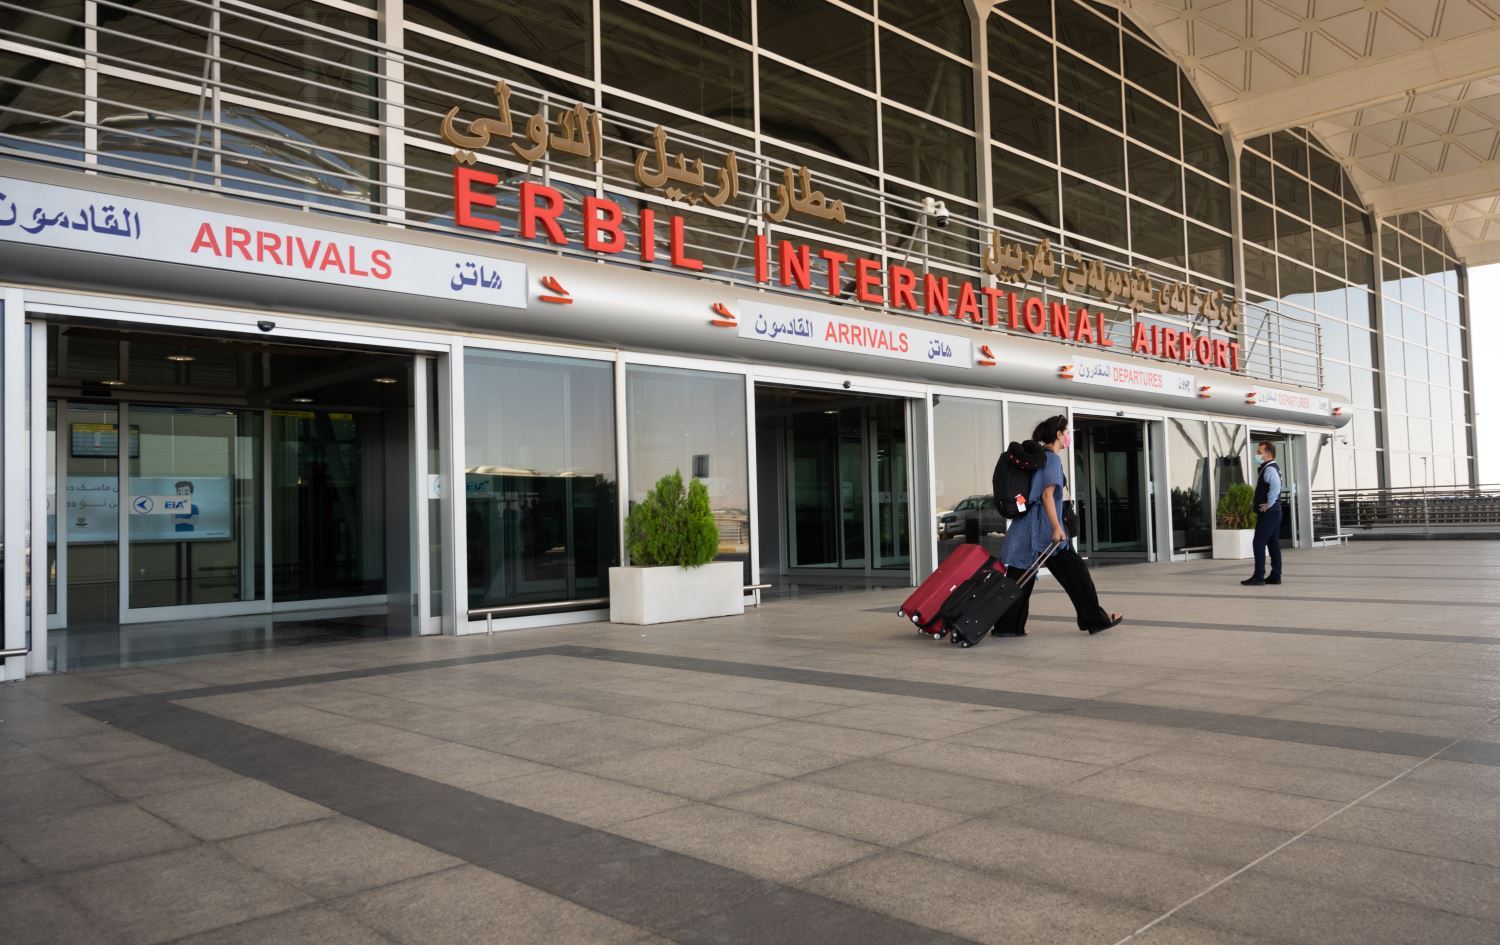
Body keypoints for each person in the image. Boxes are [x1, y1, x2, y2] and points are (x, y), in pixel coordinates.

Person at [993, 415, 1123, 636]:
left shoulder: (1038, 458)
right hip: (1046, 533)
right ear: (1059, 434)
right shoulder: (1051, 459)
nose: (1069, 437)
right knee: (1078, 576)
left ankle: (1008, 627)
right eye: (1068, 432)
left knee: (1019, 580)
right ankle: (1095, 620)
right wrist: (1056, 527)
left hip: (1025, 531)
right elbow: (1047, 495)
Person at [1242, 442, 1284, 586]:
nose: (1257, 455)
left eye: (1259, 452)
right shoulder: (1270, 467)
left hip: (1270, 513)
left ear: (1268, 454)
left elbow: (1276, 486)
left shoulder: (1270, 469)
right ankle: (1275, 576)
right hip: (1274, 512)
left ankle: (1259, 576)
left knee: (1258, 542)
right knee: (1273, 543)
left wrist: (1269, 504)